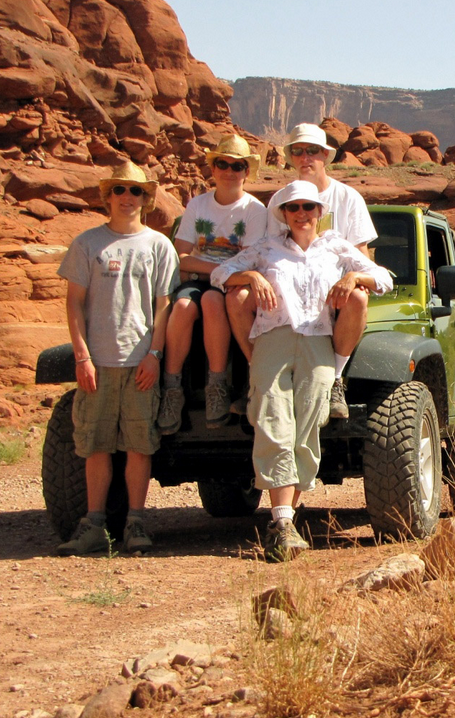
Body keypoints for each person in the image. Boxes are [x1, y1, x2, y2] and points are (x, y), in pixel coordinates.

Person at [210, 180, 392, 561]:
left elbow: (384, 279)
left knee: (308, 423)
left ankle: (286, 518)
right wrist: (254, 276)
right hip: (273, 339)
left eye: (309, 207)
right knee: (274, 420)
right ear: (284, 214)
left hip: (318, 343)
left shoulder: (336, 247)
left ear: (319, 212)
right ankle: (281, 522)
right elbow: (220, 274)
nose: (302, 214)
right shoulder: (267, 248)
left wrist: (354, 277)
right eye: (294, 208)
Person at [56, 162, 180, 556]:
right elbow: (74, 302)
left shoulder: (159, 246)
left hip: (141, 361)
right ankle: (94, 525)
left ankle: (136, 523)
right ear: (108, 196)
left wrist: (155, 355)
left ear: (147, 198)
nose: (128, 197)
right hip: (99, 362)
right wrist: (82, 357)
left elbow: (165, 306)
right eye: (121, 190)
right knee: (96, 444)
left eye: (137, 191)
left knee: (139, 446)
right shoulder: (87, 243)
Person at [227, 123, 378, 420]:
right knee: (237, 298)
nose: (305, 157)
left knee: (359, 298)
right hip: (287, 289)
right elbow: (270, 251)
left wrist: (354, 278)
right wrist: (254, 278)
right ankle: (257, 373)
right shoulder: (280, 201)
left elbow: (362, 257)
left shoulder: (348, 199)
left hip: (335, 291)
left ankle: (335, 378)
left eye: (312, 151)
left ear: (325, 155)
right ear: (290, 157)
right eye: (297, 151)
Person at [156, 134, 267, 434]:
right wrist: (219, 270)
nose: (230, 171)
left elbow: (249, 261)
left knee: (211, 301)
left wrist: (206, 271)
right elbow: (180, 257)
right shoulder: (198, 205)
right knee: (181, 306)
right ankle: (171, 389)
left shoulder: (255, 211)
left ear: (246, 171)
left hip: (227, 286)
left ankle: (216, 387)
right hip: (208, 278)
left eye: (237, 166)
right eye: (223, 163)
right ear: (213, 168)